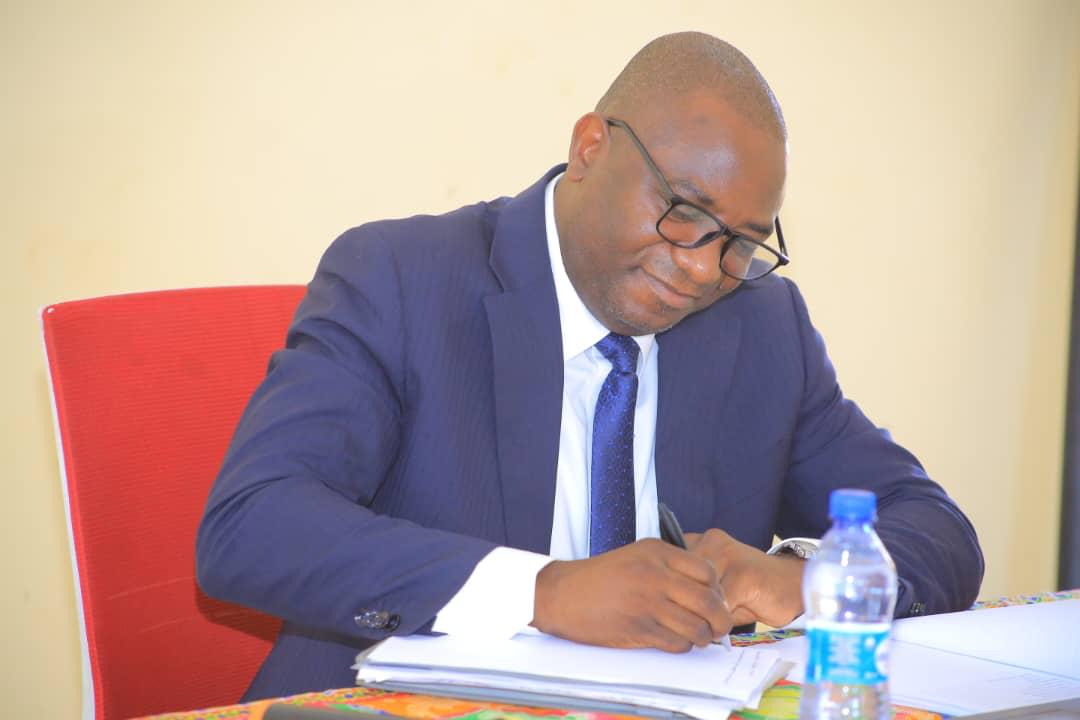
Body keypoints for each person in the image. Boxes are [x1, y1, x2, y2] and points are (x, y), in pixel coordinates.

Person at [196, 31, 983, 700]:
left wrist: (795, 580)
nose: (704, 268)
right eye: (684, 211)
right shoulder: (403, 279)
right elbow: (253, 525)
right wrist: (546, 592)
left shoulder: (759, 325)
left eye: (741, 242)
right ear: (589, 149)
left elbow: (936, 530)